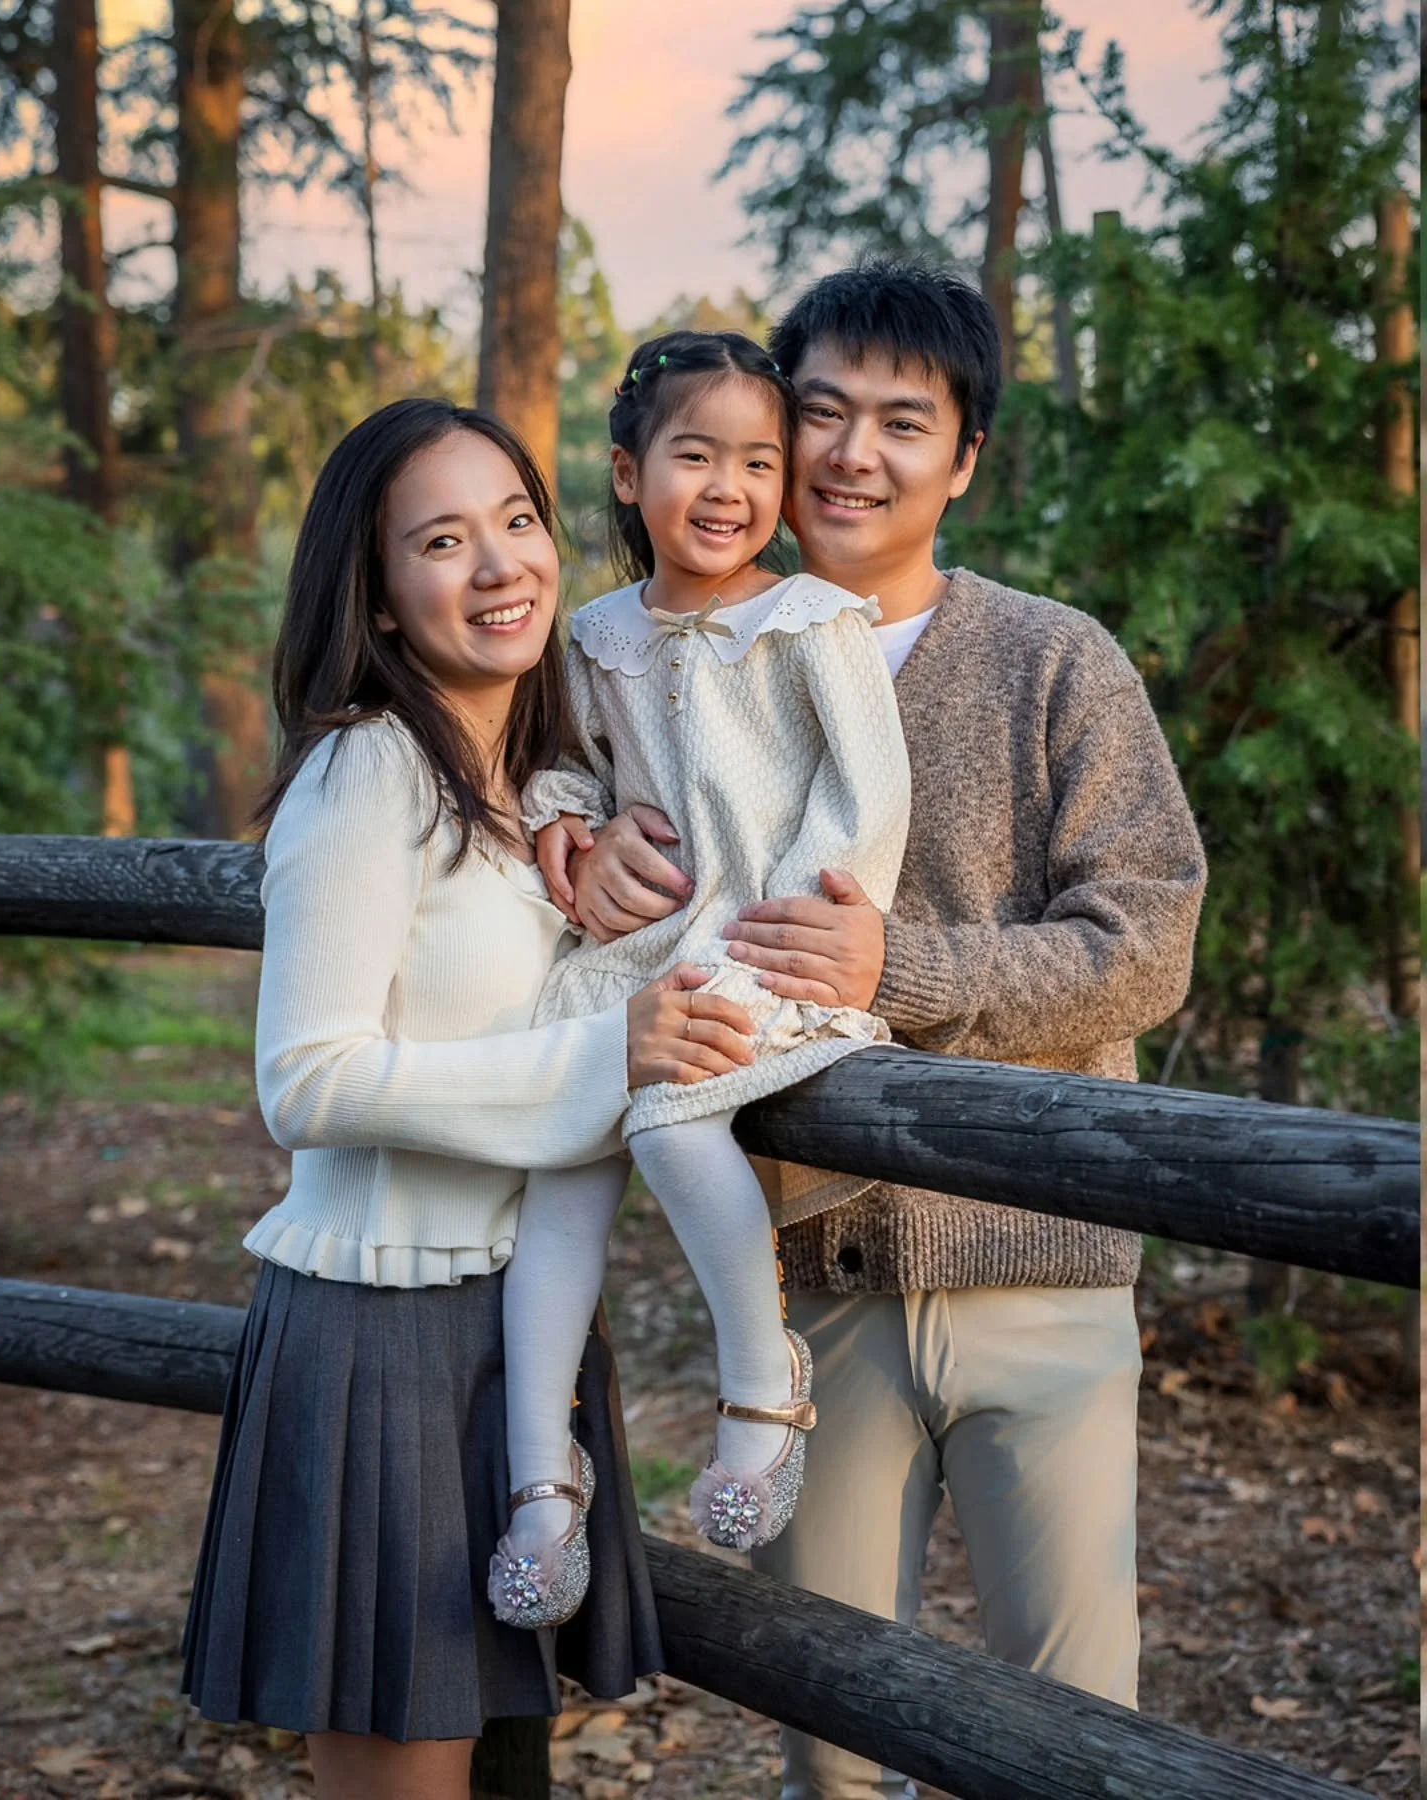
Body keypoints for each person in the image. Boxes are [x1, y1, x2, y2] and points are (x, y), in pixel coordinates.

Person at [558, 262, 1208, 1800]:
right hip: (810, 1300)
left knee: (1071, 1737)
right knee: (832, 1740)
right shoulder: (689, 657)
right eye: (822, 416)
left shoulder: (1056, 661)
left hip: (1039, 1277)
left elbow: (1149, 942)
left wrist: (896, 964)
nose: (853, 455)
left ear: (964, 458)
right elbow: (560, 789)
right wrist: (572, 844)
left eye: (902, 424)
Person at [180, 398, 761, 1800]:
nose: (499, 565)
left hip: (515, 1328)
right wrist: (602, 1059)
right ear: (377, 593)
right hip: (381, 1331)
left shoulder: (525, 785)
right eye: (442, 541)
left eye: (515, 522)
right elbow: (305, 1079)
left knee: (495, 1766)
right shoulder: (370, 769)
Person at [488, 330, 912, 1630]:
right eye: (695, 455)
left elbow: (867, 792)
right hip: (640, 949)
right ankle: (538, 1477)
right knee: (559, 1157)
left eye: (759, 461)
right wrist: (566, 823)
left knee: (674, 1114)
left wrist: (790, 926)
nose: (728, 485)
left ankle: (761, 1382)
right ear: (628, 474)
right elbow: (563, 764)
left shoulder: (812, 624)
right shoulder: (597, 633)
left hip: (772, 940)